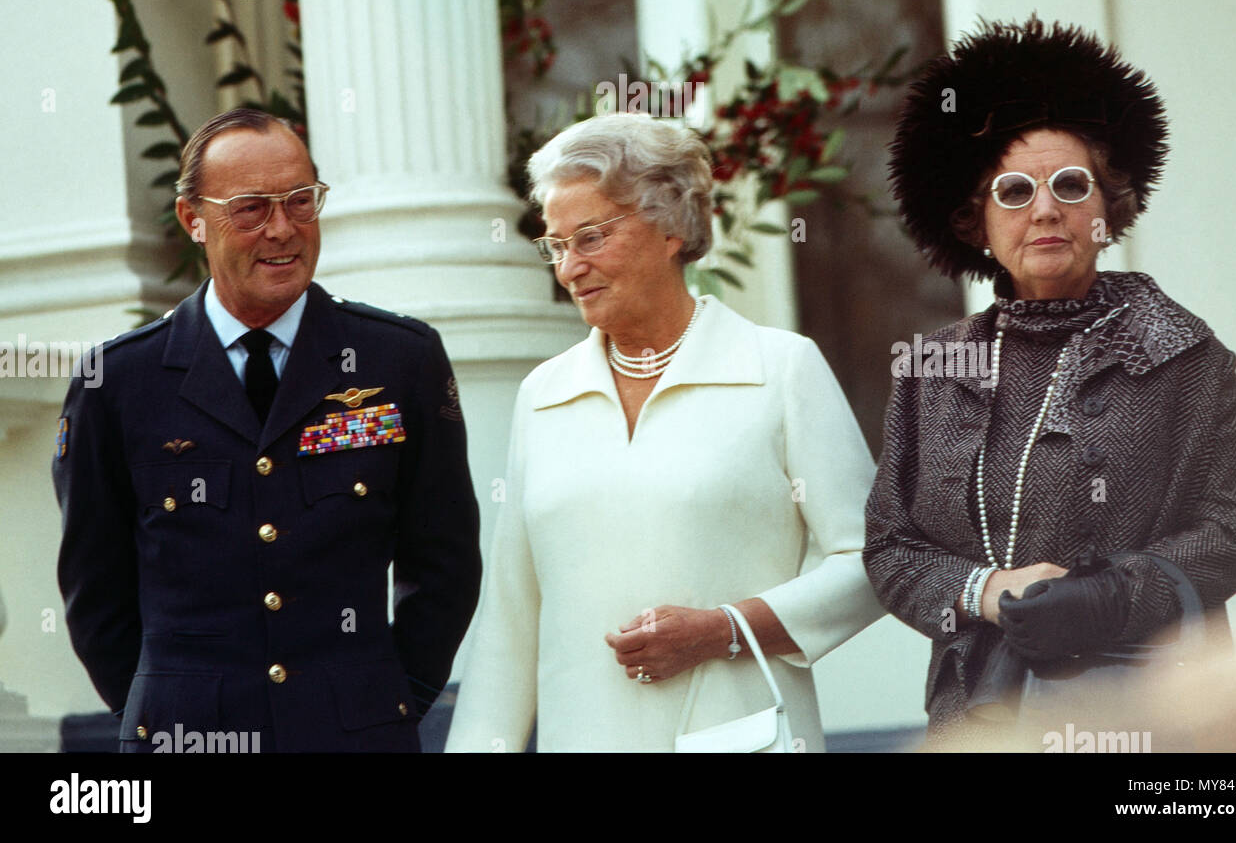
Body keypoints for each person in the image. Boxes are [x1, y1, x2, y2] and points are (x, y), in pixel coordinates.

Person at [865, 17, 1236, 747]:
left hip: (1152, 711)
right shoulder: (932, 368)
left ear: (1109, 210)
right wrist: (984, 592)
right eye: (1014, 191)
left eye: (1071, 185)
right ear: (975, 222)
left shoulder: (1185, 355)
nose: (1045, 209)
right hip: (979, 711)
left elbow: (1233, 532)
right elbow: (892, 548)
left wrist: (1113, 594)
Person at [445, 112, 882, 752]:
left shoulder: (778, 368)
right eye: (557, 245)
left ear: (670, 226)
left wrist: (727, 628)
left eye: (590, 237)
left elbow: (871, 559)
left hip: (741, 739)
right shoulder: (544, 394)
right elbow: (511, 619)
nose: (569, 269)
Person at [53, 108, 481, 752]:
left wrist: (392, 698)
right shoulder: (117, 382)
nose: (283, 229)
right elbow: (95, 593)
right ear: (192, 219)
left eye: (301, 201)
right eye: (251, 208)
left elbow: (444, 564)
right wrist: (164, 709)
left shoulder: (400, 360)